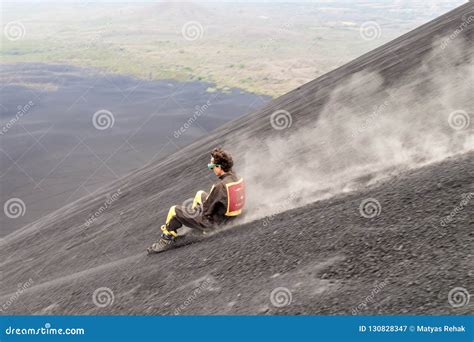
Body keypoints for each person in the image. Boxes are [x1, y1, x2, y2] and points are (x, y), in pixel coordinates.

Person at [147, 148, 245, 254]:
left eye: (212, 167)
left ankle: (166, 240)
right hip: (230, 217)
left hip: (214, 223)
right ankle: (195, 226)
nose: (211, 169)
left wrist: (190, 214)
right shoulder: (237, 178)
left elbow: (206, 212)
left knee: (174, 210)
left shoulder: (219, 186)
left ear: (219, 167)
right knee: (200, 194)